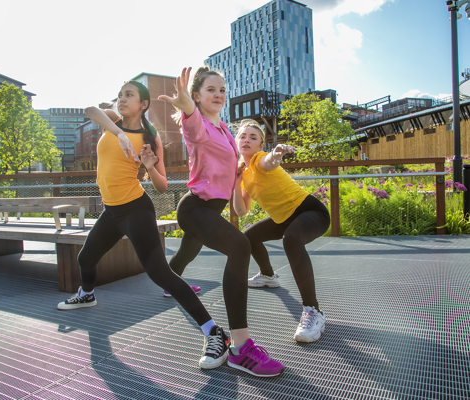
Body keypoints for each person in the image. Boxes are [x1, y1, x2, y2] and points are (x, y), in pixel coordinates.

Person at [57, 80, 230, 370]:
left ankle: (214, 332)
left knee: (159, 273)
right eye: (120, 95)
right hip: (111, 212)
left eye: (129, 95)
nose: (121, 100)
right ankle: (86, 295)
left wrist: (149, 166)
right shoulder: (112, 120)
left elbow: (162, 186)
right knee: (85, 258)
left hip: (135, 209)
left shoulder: (150, 137)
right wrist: (118, 135)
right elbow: (90, 110)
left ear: (144, 104)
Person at [158, 67, 284, 378]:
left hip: (212, 211)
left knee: (194, 254)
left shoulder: (226, 130)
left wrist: (244, 173)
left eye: (222, 90)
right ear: (198, 96)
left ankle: (172, 283)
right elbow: (191, 121)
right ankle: (240, 348)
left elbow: (232, 168)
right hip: (195, 207)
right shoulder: (197, 124)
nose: (218, 95)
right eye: (211, 90)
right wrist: (186, 102)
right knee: (240, 247)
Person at [233, 119, 330, 343]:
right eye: (242, 136)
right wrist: (236, 181)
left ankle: (314, 311)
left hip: (310, 212)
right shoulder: (243, 173)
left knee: (291, 240)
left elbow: (270, 162)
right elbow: (241, 210)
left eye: (253, 137)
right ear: (237, 141)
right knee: (248, 239)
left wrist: (276, 153)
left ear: (260, 145)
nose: (246, 139)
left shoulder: (259, 159)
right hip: (284, 218)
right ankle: (268, 275)